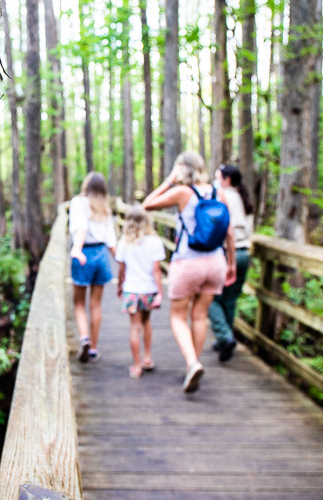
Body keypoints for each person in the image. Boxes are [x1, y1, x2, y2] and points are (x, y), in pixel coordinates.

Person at [142, 152, 236, 393]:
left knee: (177, 317)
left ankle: (192, 362)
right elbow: (230, 233)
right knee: (200, 315)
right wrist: (231, 263)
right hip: (215, 262)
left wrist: (169, 182)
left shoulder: (183, 192)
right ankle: (192, 364)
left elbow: (146, 206)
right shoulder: (218, 193)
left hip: (188, 262)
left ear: (182, 169)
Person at [69, 172, 117, 363]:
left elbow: (80, 227)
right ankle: (93, 349)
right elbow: (112, 241)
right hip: (102, 255)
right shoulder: (105, 209)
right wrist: (123, 262)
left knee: (79, 303)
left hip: (84, 255)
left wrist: (76, 248)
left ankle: (84, 338)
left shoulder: (78, 202)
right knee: (96, 304)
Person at [210, 164, 254, 362]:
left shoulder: (224, 196)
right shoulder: (245, 198)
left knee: (211, 298)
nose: (216, 181)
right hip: (245, 253)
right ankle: (224, 340)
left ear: (227, 180)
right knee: (229, 300)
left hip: (229, 253)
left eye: (218, 177)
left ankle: (225, 336)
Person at [116, 206, 165, 379]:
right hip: (149, 290)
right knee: (146, 322)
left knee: (135, 327)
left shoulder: (124, 242)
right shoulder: (155, 242)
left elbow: (121, 269)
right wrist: (160, 292)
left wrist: (119, 286)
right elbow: (157, 270)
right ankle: (147, 357)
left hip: (132, 289)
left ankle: (136, 366)